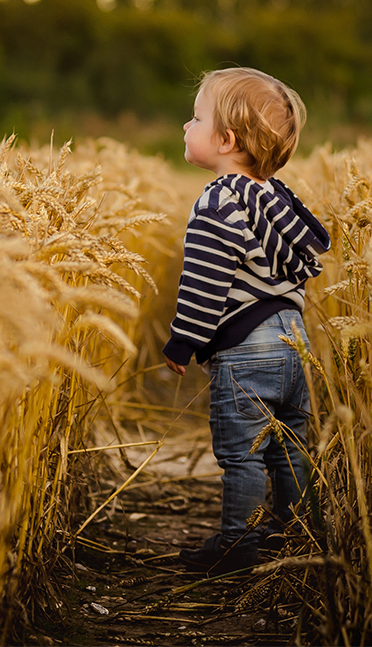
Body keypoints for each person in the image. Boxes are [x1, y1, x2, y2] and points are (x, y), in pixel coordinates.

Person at [162, 67, 331, 575]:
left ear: (226, 139)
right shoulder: (276, 197)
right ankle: (295, 531)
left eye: (195, 119)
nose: (186, 128)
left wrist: (182, 342)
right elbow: (308, 255)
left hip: (247, 349)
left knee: (241, 453)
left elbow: (205, 282)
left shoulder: (218, 201)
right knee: (287, 446)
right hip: (293, 342)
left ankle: (238, 543)